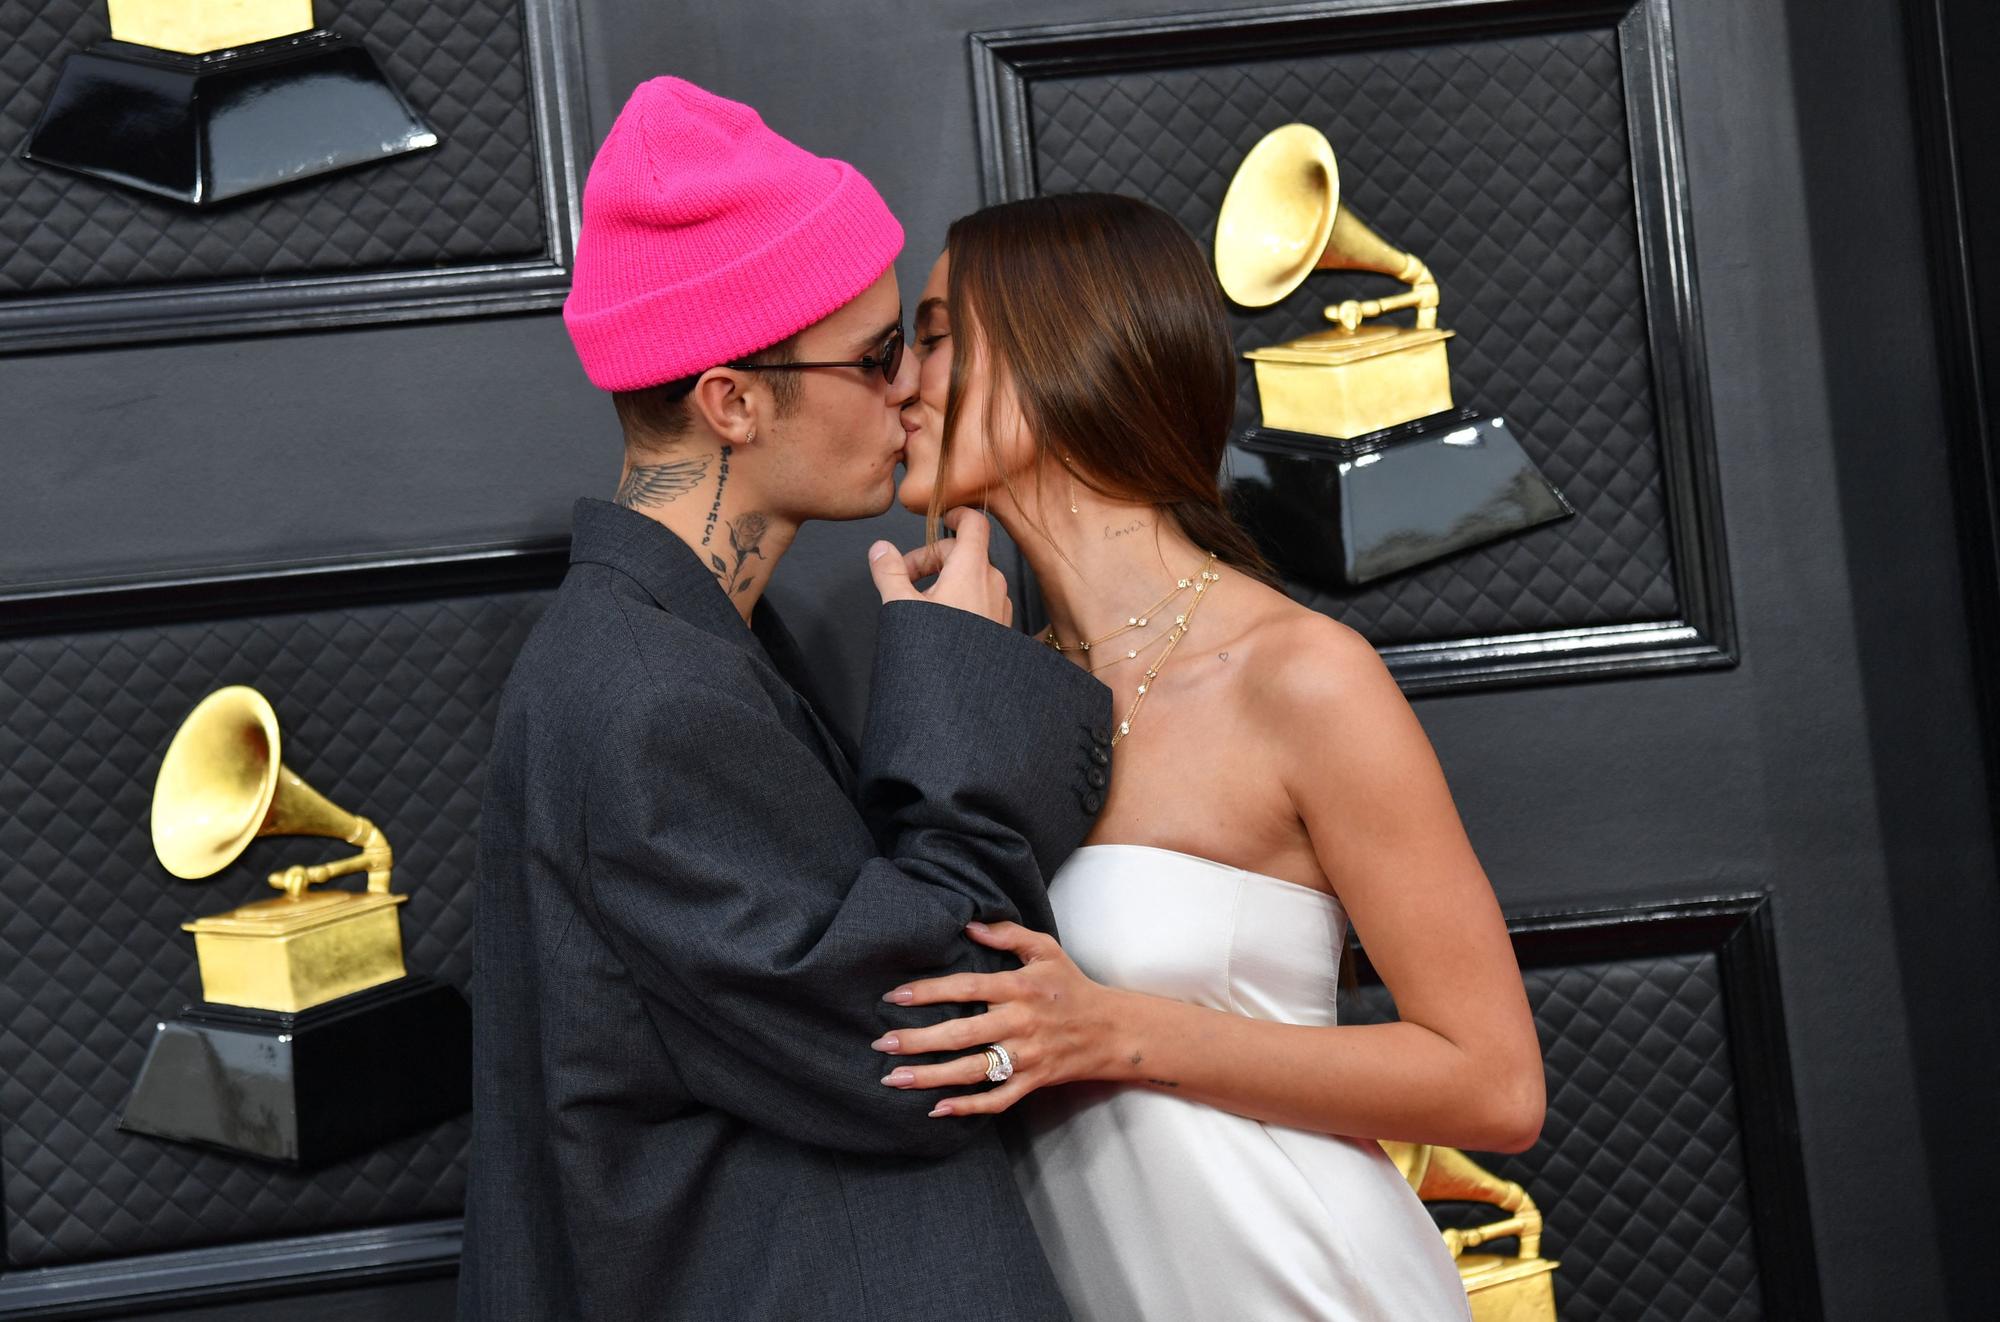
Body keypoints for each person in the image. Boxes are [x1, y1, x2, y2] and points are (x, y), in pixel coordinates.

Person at [458, 80, 1110, 1321]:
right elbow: (927, 1042)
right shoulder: (649, 694)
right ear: (734, 399)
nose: (915, 386)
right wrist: (960, 671)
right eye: (877, 355)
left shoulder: (675, 645)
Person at [873, 192, 1547, 1321]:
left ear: (1063, 343)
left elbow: (1494, 1082)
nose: (898, 383)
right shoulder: (1000, 686)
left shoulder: (1299, 674)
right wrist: (942, 678)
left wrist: (1117, 1028)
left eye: (933, 337)